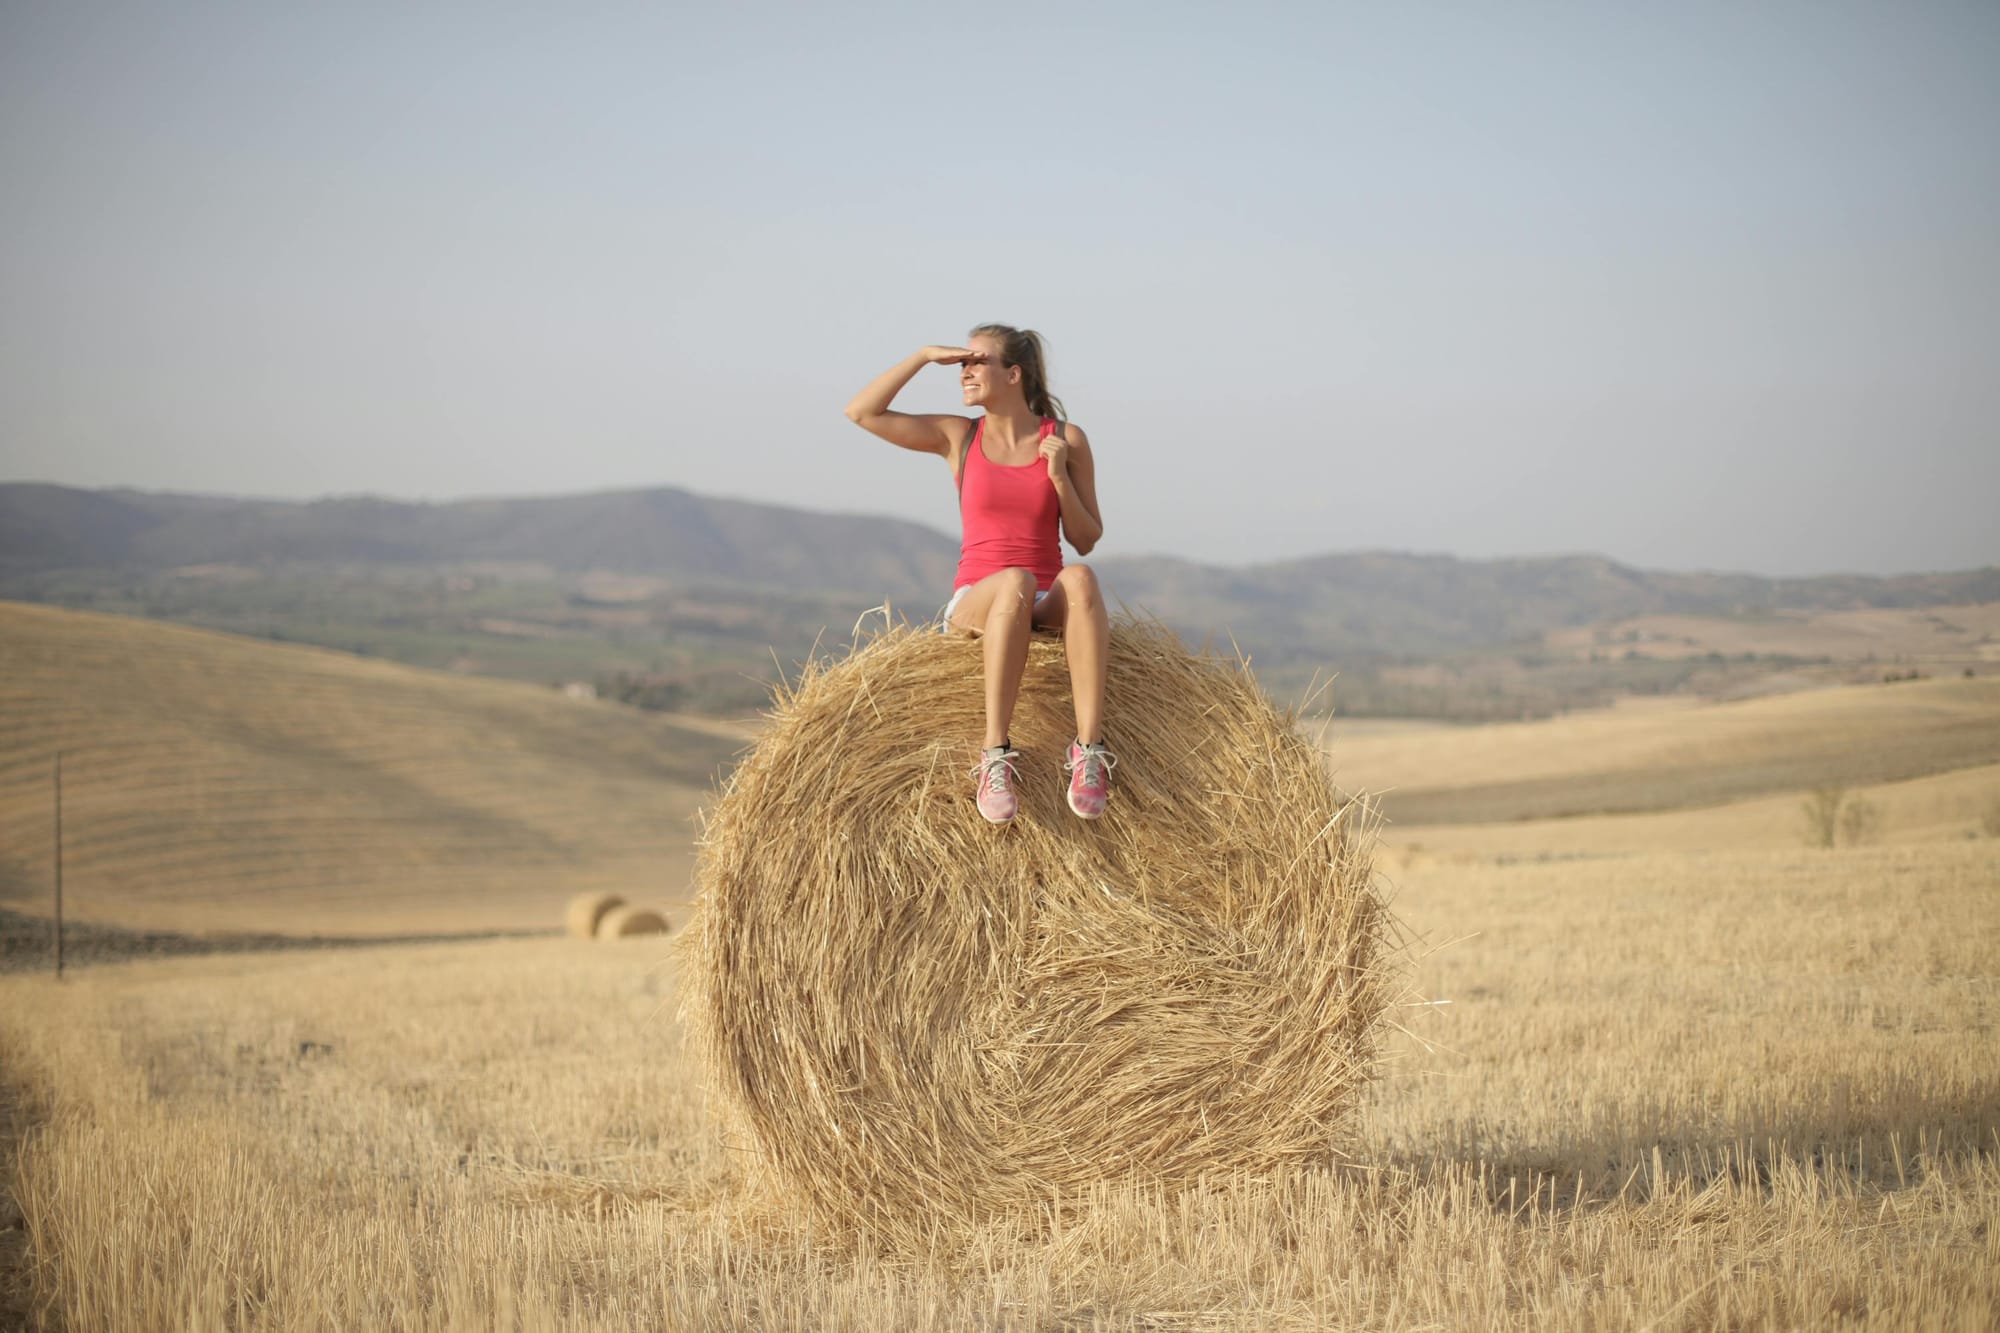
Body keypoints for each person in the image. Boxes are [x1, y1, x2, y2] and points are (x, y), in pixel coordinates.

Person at [844, 324, 1114, 825]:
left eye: (975, 361)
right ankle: (994, 754)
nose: (963, 371)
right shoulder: (958, 437)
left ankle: (1088, 751)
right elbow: (862, 412)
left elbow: (1087, 538)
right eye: (960, 362)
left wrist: (1058, 477)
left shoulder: (1066, 440)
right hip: (979, 598)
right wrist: (924, 356)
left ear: (1013, 374)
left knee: (1081, 578)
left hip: (1042, 598)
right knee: (1015, 579)